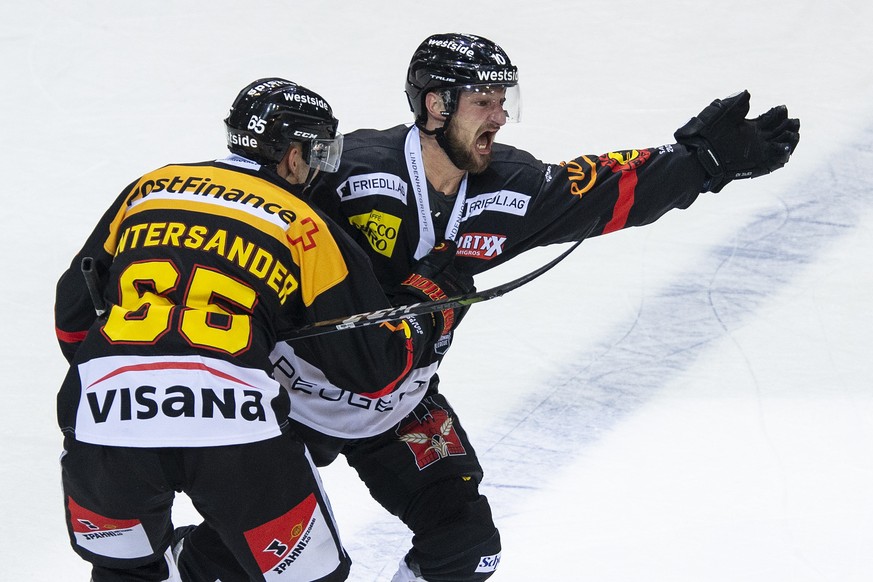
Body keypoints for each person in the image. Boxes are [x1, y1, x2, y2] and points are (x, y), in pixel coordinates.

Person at [183, 33, 801, 582]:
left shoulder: (509, 183)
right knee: (247, 559)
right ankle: (194, 559)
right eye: (484, 101)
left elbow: (600, 191)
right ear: (435, 105)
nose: (500, 116)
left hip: (401, 401)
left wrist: (700, 162)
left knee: (467, 551)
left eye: (504, 101)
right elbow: (246, 223)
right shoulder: (346, 168)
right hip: (293, 396)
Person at [54, 77, 448, 582]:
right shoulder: (305, 225)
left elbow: (72, 319)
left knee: (125, 571)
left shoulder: (150, 187)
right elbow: (372, 369)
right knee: (307, 576)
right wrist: (426, 301)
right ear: (291, 155)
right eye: (319, 154)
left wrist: (130, 379)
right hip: (233, 426)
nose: (319, 170)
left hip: (105, 418)